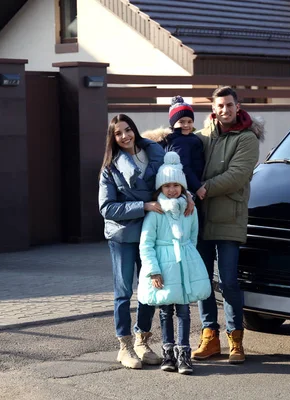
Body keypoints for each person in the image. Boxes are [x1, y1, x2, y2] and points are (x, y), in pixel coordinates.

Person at [98, 114, 194, 369]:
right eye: (118, 133)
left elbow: (171, 182)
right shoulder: (110, 167)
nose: (125, 136)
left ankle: (142, 340)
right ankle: (125, 346)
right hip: (123, 235)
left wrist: (188, 195)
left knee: (149, 288)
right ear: (113, 138)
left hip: (153, 233)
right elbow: (107, 208)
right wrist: (144, 205)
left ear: (134, 130)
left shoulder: (156, 154)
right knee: (124, 291)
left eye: (128, 130)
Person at [192, 86, 264, 364]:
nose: (225, 110)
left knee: (229, 282)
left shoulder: (247, 138)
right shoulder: (203, 135)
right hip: (200, 220)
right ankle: (210, 337)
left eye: (229, 105)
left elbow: (237, 175)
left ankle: (236, 340)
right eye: (220, 105)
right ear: (214, 107)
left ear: (238, 106)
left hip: (229, 220)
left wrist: (203, 188)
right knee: (202, 283)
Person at [137, 151, 211, 375]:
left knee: (185, 311)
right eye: (167, 185)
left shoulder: (189, 209)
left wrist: (190, 261)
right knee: (165, 311)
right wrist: (153, 271)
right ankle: (168, 351)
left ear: (182, 187)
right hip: (164, 267)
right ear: (160, 188)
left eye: (176, 185)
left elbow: (193, 238)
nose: (171, 190)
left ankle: (184, 353)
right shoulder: (156, 213)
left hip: (184, 265)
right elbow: (146, 244)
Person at [142, 95, 204, 195]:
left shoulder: (187, 138)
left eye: (190, 121)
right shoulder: (180, 141)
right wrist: (197, 187)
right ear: (173, 123)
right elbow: (183, 166)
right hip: (186, 188)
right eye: (181, 122)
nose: (186, 125)